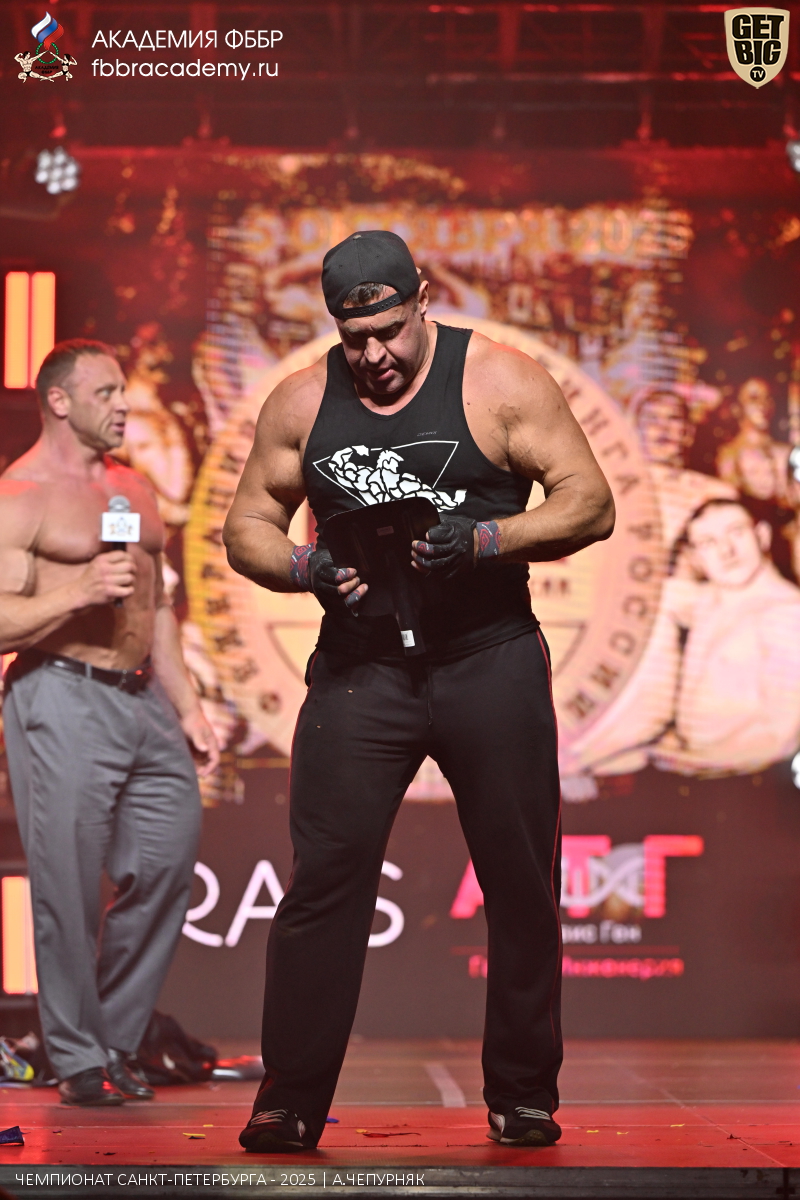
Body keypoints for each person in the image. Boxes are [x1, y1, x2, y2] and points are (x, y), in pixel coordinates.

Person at [223, 229, 615, 1152]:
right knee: (324, 884)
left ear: (422, 300)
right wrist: (305, 567)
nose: (374, 356)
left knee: (519, 883)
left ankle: (523, 1093)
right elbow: (246, 524)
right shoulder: (303, 400)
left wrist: (486, 541)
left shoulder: (500, 381)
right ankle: (288, 1101)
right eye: (354, 338)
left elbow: (590, 502)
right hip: (362, 670)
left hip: (488, 656)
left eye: (389, 332)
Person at [0, 339, 219, 1107]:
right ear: (59, 402)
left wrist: (187, 707)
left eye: (124, 390)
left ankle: (116, 1040)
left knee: (165, 863)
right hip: (59, 693)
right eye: (106, 393)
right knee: (65, 888)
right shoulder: (20, 495)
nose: (124, 405)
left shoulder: (133, 489)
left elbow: (154, 607)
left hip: (141, 698)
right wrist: (77, 591)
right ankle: (77, 1056)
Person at [651, 498, 800, 775]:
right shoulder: (709, 600)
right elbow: (654, 594)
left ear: (762, 536)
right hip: (693, 767)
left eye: (737, 532)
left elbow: (782, 739)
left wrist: (692, 763)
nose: (726, 551)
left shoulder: (786, 614)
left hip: (749, 779)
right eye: (708, 543)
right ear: (695, 557)